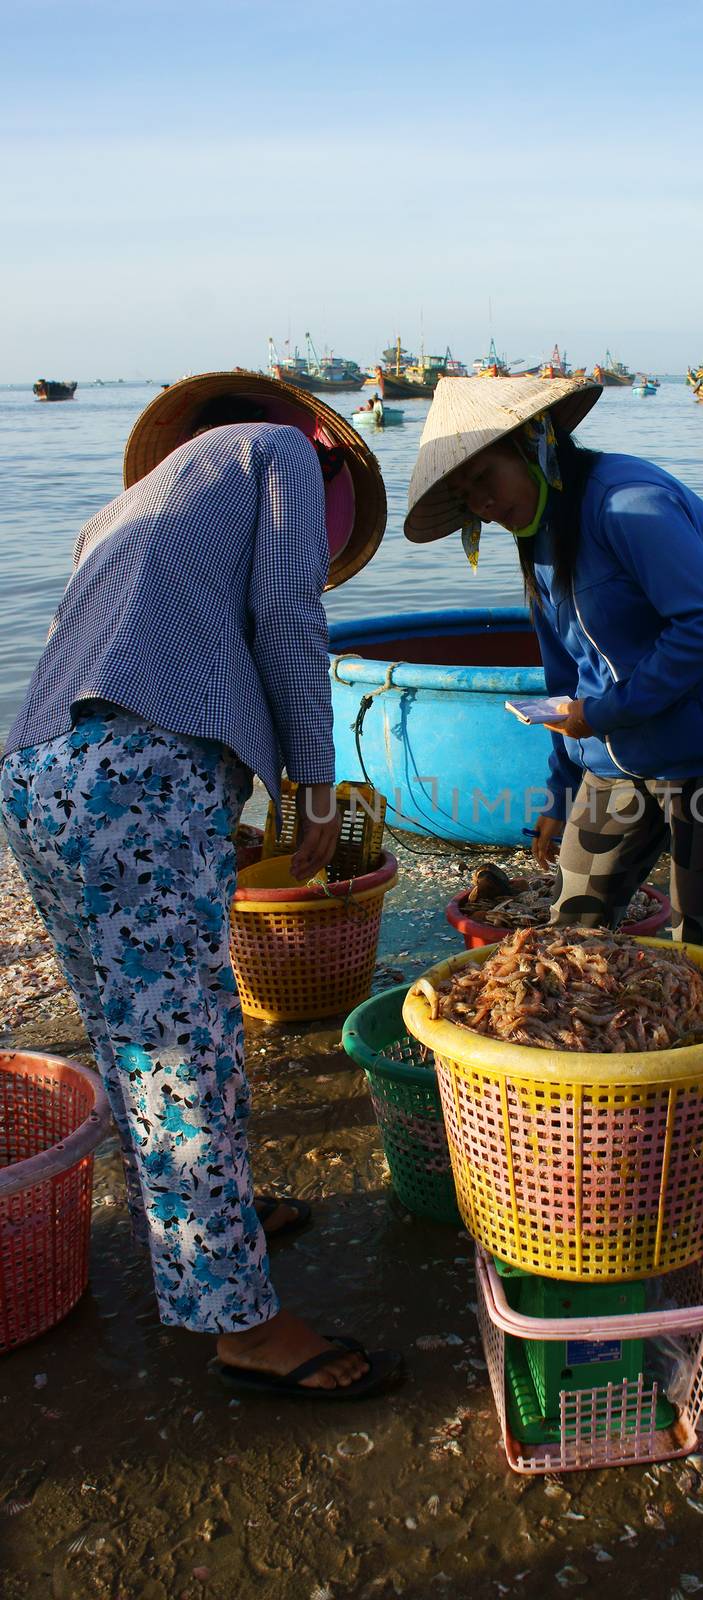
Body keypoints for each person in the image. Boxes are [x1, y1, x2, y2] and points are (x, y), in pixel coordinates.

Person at [0, 371, 401, 1400]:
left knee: (126, 1023)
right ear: (321, 436)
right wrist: (313, 783)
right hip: (138, 774)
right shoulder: (280, 454)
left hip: (39, 771)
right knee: (189, 1048)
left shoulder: (116, 513)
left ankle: (191, 1226)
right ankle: (242, 1321)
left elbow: (167, 651)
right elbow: (288, 615)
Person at [405, 376, 703, 954]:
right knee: (571, 930)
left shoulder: (628, 503)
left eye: (485, 477)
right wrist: (560, 796)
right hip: (620, 751)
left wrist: (609, 711)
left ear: (536, 442)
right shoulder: (538, 533)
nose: (482, 505)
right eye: (466, 496)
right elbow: (566, 680)